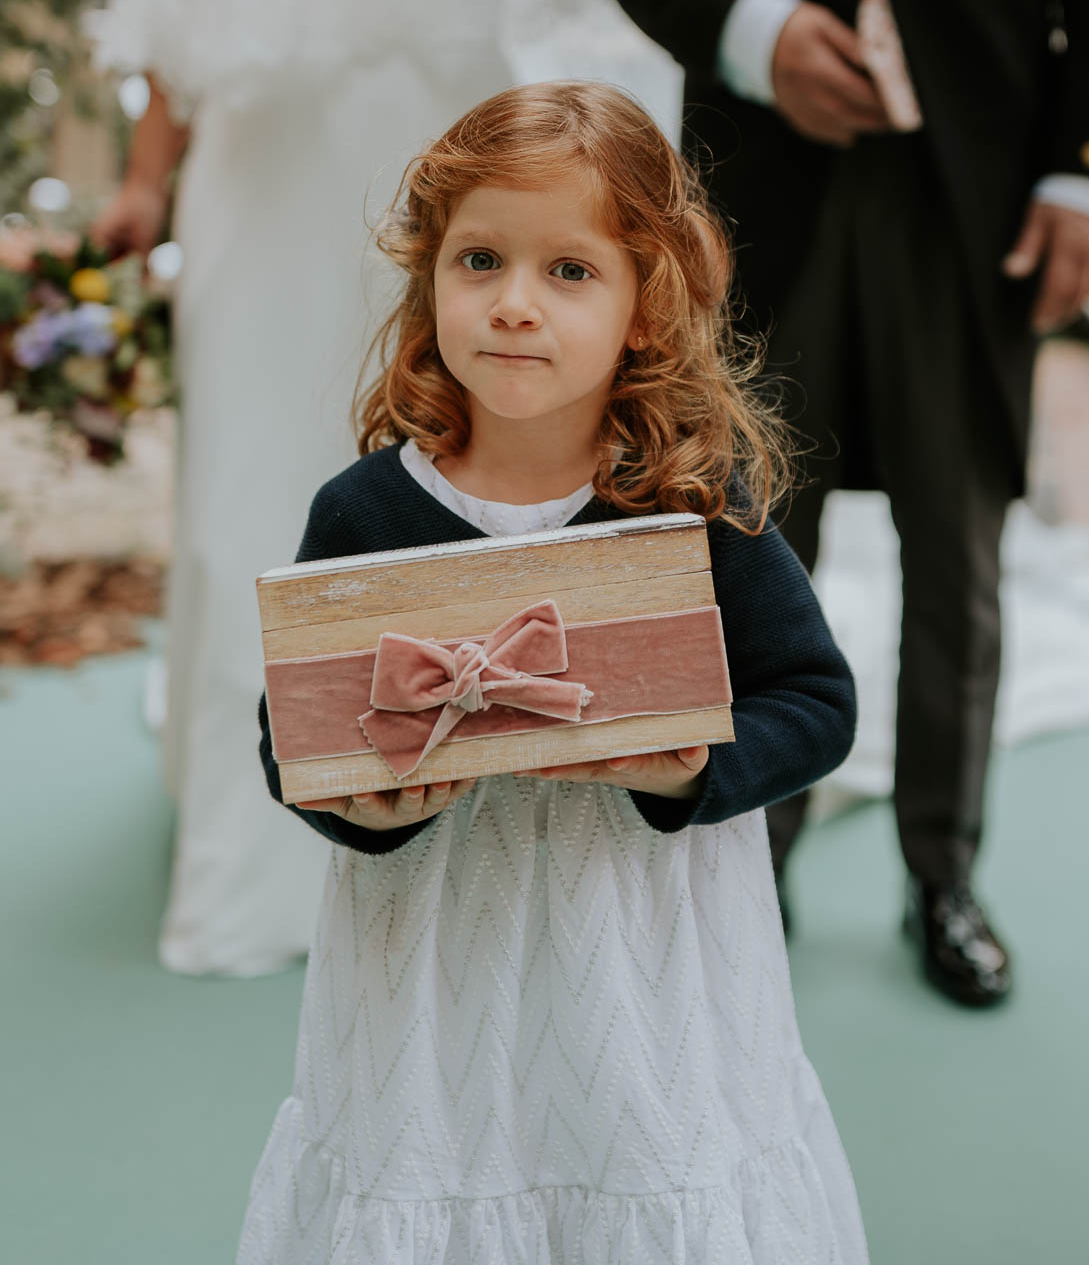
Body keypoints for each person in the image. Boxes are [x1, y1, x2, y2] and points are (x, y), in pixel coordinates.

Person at [88, 0, 708, 976]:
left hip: (454, 183)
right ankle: (258, 810)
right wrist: (141, 179)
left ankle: (449, 751)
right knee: (253, 458)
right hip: (265, 168)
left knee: (432, 448)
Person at [585, 0, 1089, 1006]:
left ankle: (943, 875)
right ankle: (741, 871)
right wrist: (755, 31)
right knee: (755, 528)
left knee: (961, 542)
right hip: (766, 181)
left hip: (979, 177)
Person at [237, 80, 867, 1264]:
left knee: (640, 1161)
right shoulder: (365, 510)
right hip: (434, 948)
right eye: (480, 260)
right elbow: (292, 730)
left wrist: (695, 772)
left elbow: (818, 702)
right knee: (445, 1156)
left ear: (644, 304)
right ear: (430, 281)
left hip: (641, 940)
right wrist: (366, 809)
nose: (515, 304)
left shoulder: (686, 502)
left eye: (569, 271)